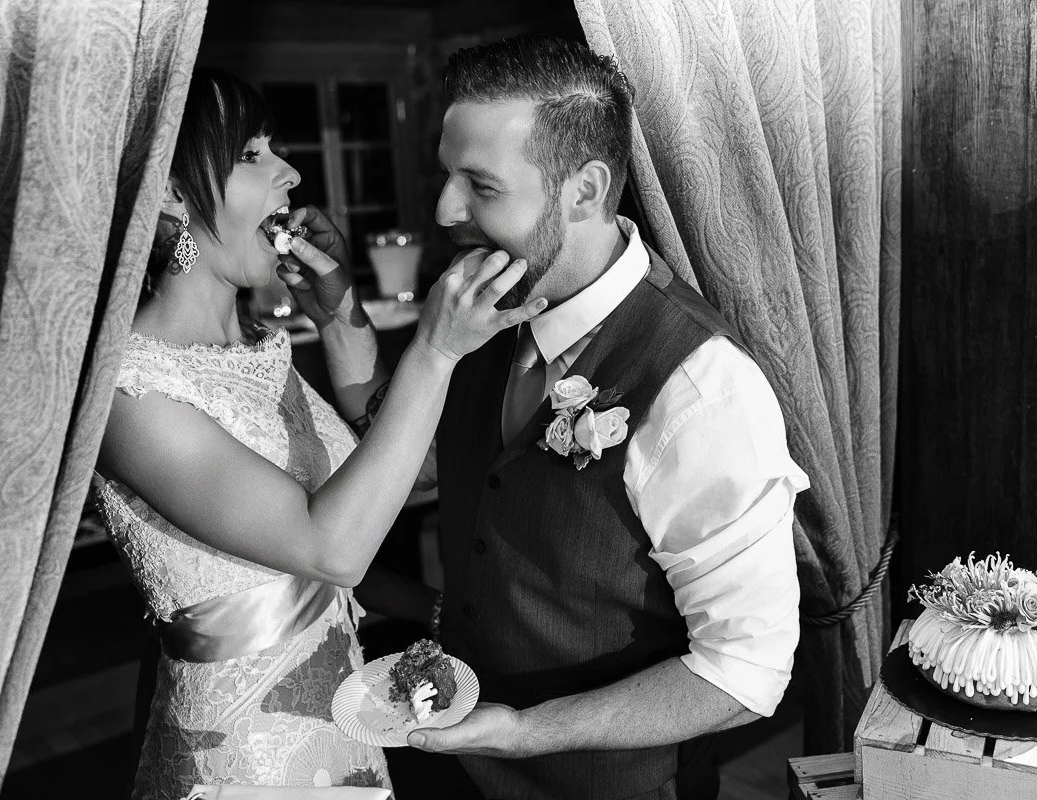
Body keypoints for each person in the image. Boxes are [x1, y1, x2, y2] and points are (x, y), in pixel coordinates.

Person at [94, 67, 545, 799]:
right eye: (250, 155)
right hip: (243, 761)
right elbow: (329, 547)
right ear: (171, 193)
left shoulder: (259, 351)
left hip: (340, 732)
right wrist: (433, 349)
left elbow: (406, 481)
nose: (291, 171)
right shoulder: (130, 393)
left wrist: (340, 320)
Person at [403, 37, 810, 800]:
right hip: (455, 773)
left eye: (480, 186)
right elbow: (434, 470)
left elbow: (743, 673)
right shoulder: (475, 315)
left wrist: (528, 733)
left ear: (585, 190)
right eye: (446, 175)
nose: (444, 210)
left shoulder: (704, 388)